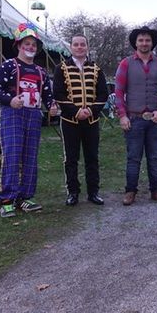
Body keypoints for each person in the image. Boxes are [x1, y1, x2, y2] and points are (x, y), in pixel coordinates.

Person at [0, 23, 58, 218]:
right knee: (12, 155)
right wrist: (10, 100)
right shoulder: (8, 66)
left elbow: (47, 94)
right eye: (27, 44)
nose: (30, 47)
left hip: (34, 115)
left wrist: (52, 104)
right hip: (12, 115)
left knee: (30, 157)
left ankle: (25, 197)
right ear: (19, 45)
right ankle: (7, 199)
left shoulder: (41, 72)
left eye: (33, 45)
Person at [114, 26, 157, 206]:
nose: (144, 43)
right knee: (133, 157)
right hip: (134, 119)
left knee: (153, 157)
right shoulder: (126, 64)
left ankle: (156, 190)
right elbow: (118, 92)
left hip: (155, 119)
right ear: (136, 43)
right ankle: (130, 191)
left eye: (147, 40)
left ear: (152, 43)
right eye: (141, 40)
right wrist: (122, 116)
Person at [53, 34, 108, 206]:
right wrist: (76, 111)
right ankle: (73, 192)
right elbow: (59, 94)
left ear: (87, 48)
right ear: (71, 47)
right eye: (76, 44)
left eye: (82, 44)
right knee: (71, 158)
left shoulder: (96, 68)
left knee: (92, 157)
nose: (79, 47)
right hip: (70, 121)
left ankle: (93, 192)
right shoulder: (61, 68)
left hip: (91, 121)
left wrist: (91, 110)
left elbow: (103, 94)